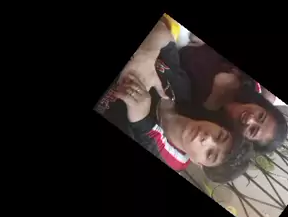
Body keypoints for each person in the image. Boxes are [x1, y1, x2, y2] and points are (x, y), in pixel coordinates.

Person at [96, 26, 251, 172]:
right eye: (219, 136)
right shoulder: (182, 88)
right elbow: (163, 30)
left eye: (210, 153)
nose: (207, 139)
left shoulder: (143, 140)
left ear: (198, 163)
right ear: (219, 126)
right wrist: (146, 54)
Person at [179, 43, 288, 154]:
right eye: (261, 115)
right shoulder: (245, 79)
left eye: (252, 130)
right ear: (262, 105)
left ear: (245, 141)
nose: (250, 119)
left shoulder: (206, 125)